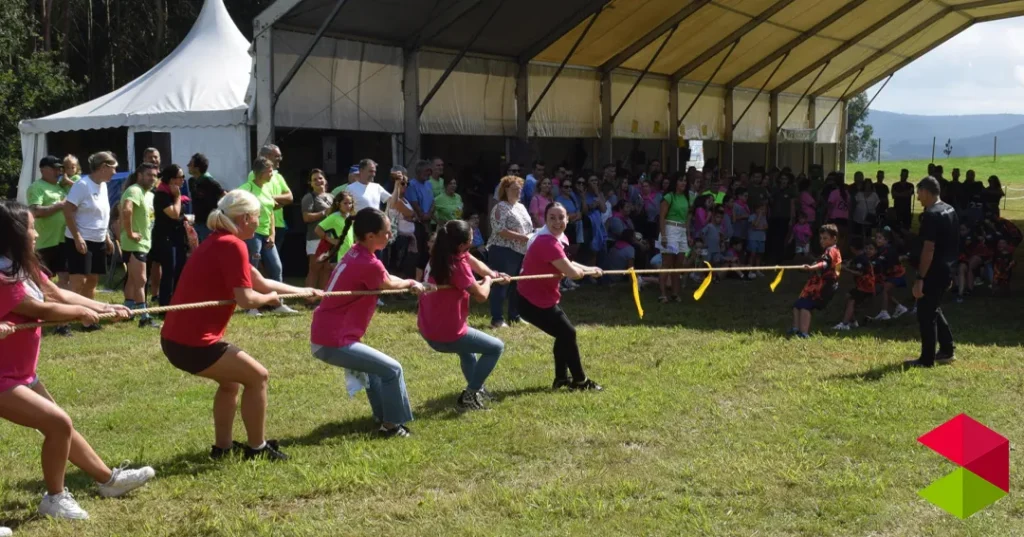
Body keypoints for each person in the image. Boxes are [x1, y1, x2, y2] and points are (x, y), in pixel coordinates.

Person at [0, 200, 155, 521]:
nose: (34, 232)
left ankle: (108, 481)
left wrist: (101, 308)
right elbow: (39, 309)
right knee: (58, 424)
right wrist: (83, 313)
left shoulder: (20, 265)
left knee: (59, 425)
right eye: (29, 227)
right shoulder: (1, 273)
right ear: (11, 233)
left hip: (19, 373)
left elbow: (57, 295)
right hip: (2, 378)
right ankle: (55, 498)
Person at [161, 191, 319, 460]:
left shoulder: (220, 241)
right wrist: (270, 300)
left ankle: (222, 449)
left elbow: (260, 282)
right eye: (258, 216)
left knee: (231, 383)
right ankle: (257, 448)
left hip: (177, 340)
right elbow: (247, 299)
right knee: (258, 377)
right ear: (246, 218)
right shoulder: (232, 245)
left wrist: (303, 291)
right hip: (194, 343)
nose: (260, 222)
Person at [311, 208, 426, 437]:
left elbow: (386, 279)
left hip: (328, 334)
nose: (390, 236)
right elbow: (388, 284)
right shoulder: (368, 263)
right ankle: (392, 427)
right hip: (334, 339)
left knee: (375, 370)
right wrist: (412, 283)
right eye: (386, 232)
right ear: (370, 236)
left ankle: (383, 417)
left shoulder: (358, 252)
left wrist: (410, 282)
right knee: (393, 370)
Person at [418, 220, 508, 411]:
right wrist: (490, 281)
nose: (473, 239)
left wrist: (494, 273)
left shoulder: (441, 252)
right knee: (495, 347)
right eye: (471, 238)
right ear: (461, 244)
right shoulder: (456, 265)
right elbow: (481, 295)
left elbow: (476, 263)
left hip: (428, 326)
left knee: (468, 352)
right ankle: (470, 394)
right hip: (446, 334)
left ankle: (477, 389)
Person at [517, 203, 603, 391]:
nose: (557, 222)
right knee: (568, 333)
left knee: (563, 334)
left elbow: (565, 263)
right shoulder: (546, 241)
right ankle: (580, 381)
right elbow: (571, 272)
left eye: (561, 217)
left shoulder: (555, 238)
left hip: (539, 297)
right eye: (552, 218)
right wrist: (584, 273)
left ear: (567, 218)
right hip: (531, 301)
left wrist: (590, 269)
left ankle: (561, 379)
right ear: (545, 220)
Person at [905, 177, 959, 369]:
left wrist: (920, 277)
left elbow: (929, 249)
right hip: (947, 267)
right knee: (933, 308)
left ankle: (926, 359)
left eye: (919, 193)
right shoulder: (950, 209)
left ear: (926, 192)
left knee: (925, 314)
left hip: (934, 271)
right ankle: (947, 350)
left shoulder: (931, 215)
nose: (918, 197)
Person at [62, 152, 116, 332]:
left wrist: (107, 237)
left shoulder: (104, 186)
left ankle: (88, 320)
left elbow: (102, 214)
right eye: (113, 168)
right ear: (103, 168)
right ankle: (62, 323)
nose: (115, 172)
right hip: (80, 239)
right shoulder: (82, 185)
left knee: (92, 281)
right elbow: (67, 211)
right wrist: (77, 237)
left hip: (98, 239)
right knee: (77, 281)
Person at [238, 157, 295, 314]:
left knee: (276, 267)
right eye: (269, 171)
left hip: (267, 235)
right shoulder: (246, 188)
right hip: (252, 235)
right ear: (260, 172)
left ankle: (278, 304)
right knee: (252, 269)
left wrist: (272, 234)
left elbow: (270, 213)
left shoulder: (267, 188)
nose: (272, 174)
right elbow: (235, 209)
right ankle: (251, 306)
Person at [27, 156, 74, 336]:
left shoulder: (61, 186)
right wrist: (59, 206)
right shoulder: (36, 187)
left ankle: (62, 323)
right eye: (55, 169)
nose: (58, 172)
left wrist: (69, 183)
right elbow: (35, 211)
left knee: (64, 280)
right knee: (39, 284)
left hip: (62, 240)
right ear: (43, 169)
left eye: (60, 168)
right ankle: (38, 317)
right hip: (44, 243)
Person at [487, 175, 532, 328]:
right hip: (503, 251)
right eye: (515, 189)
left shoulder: (521, 207)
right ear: (505, 190)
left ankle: (514, 316)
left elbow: (528, 228)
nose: (519, 192)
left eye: (520, 189)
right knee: (501, 284)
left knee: (517, 286)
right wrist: (523, 237)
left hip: (520, 251)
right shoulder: (500, 207)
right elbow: (500, 230)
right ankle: (497, 319)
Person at [120, 163, 159, 327]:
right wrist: (130, 233)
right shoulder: (134, 190)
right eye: (149, 175)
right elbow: (126, 210)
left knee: (132, 278)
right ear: (140, 175)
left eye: (155, 175)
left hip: (144, 243)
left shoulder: (149, 194)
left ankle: (127, 310)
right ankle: (144, 317)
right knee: (141, 280)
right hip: (134, 243)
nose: (152, 178)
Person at [789, 224, 842, 339]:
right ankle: (795, 329)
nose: (822, 241)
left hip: (825, 286)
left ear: (834, 239)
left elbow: (825, 264)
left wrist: (812, 268)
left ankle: (804, 333)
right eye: (821, 238)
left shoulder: (832, 251)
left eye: (825, 238)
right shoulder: (827, 251)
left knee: (805, 306)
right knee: (797, 305)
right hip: (815, 284)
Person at [151, 165, 191, 308]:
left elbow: (179, 213)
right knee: (169, 272)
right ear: (171, 179)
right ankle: (165, 306)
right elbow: (173, 214)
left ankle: (178, 302)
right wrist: (178, 197)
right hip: (165, 238)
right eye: (180, 177)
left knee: (180, 269)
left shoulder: (173, 194)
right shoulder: (162, 194)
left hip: (178, 237)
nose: (183, 180)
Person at [250, 145, 293, 263]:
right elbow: (256, 198)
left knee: (274, 264)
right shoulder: (254, 175)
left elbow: (290, 197)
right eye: (277, 156)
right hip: (262, 227)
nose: (280, 159)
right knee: (261, 263)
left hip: (279, 225)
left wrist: (271, 199)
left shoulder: (278, 176)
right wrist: (272, 201)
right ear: (267, 156)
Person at [657, 174, 690, 302]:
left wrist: (688, 234)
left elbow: (687, 218)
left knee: (678, 264)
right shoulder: (669, 197)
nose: (683, 183)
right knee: (667, 264)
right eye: (681, 180)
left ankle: (675, 293)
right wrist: (664, 235)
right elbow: (662, 217)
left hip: (681, 231)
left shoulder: (686, 198)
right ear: (675, 182)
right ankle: (662, 294)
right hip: (670, 230)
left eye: (685, 181)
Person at [301, 169, 334, 291]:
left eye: (320, 178)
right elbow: (306, 217)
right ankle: (309, 298)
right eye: (314, 179)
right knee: (315, 268)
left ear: (325, 180)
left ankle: (322, 297)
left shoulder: (332, 197)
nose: (318, 181)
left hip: (330, 238)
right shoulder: (309, 197)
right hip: (315, 238)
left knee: (326, 268)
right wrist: (325, 212)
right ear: (310, 183)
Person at [833, 237, 875, 331]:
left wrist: (846, 270)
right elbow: (849, 263)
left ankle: (845, 324)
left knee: (851, 300)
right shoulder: (859, 257)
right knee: (848, 297)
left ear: (852, 248)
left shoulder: (861, 258)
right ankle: (853, 322)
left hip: (866, 286)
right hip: (863, 286)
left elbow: (860, 272)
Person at [870, 229, 909, 321]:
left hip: (897, 275)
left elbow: (884, 264)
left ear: (886, 240)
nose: (877, 240)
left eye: (880, 238)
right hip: (890, 275)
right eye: (876, 238)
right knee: (886, 291)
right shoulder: (881, 250)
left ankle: (884, 313)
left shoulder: (889, 250)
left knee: (885, 290)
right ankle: (900, 307)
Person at [187, 153, 225, 243]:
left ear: (197, 168)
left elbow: (225, 196)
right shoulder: (192, 181)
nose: (187, 166)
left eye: (190, 164)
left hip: (209, 225)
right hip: (197, 223)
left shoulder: (210, 181)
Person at [316, 191, 356, 263]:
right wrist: (331, 240)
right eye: (345, 203)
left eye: (350, 203)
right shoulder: (334, 216)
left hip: (349, 255)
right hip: (338, 256)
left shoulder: (349, 217)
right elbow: (317, 229)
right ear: (338, 204)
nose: (348, 206)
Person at [747, 204, 768, 278]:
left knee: (759, 255)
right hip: (753, 238)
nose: (762, 211)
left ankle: (757, 270)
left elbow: (765, 226)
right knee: (753, 254)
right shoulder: (752, 216)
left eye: (763, 209)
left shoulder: (764, 217)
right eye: (760, 209)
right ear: (756, 209)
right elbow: (755, 225)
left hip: (761, 238)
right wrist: (759, 217)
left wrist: (759, 228)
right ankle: (750, 270)